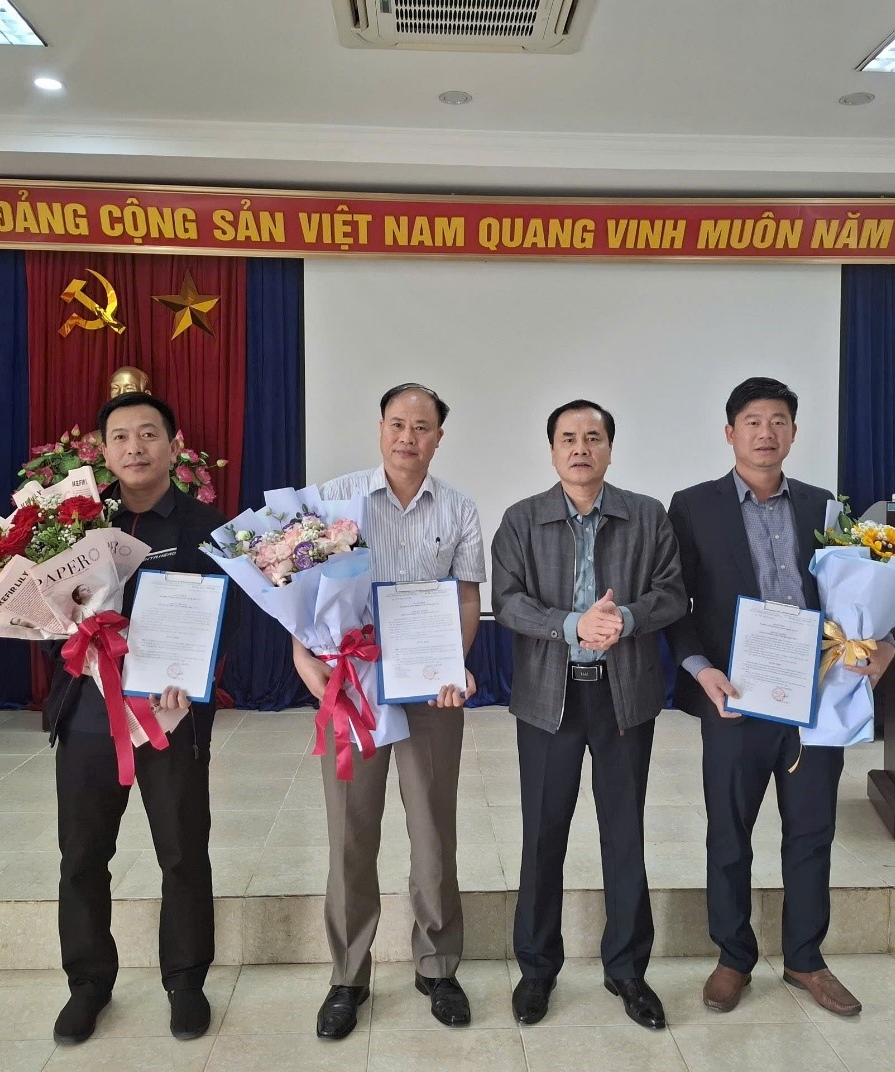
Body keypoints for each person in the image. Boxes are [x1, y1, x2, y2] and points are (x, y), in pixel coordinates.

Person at [667, 377, 895, 1018]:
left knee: (812, 830)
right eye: (752, 421)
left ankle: (805, 959)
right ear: (730, 432)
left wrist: (881, 644)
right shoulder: (693, 506)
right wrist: (701, 670)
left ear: (794, 432)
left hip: (816, 696)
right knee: (729, 833)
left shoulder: (824, 507)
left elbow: (859, 594)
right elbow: (674, 603)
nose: (765, 433)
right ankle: (732, 957)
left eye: (778, 421)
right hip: (735, 697)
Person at [292, 382, 486, 1040]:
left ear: (438, 438)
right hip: (350, 685)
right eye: (397, 424)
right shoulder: (334, 500)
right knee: (351, 831)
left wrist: (451, 665)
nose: (408, 436)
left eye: (422, 427)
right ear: (380, 428)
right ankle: (348, 974)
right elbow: (299, 591)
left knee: (433, 830)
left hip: (429, 691)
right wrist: (301, 654)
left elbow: (466, 598)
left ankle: (437, 966)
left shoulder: (459, 508)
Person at [43, 391, 235, 1046]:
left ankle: (186, 981)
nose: (135, 447)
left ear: (173, 447)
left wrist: (193, 677)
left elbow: (226, 619)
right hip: (89, 715)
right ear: (103, 452)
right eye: (121, 437)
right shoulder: (76, 528)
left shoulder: (207, 528)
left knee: (182, 852)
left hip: (169, 718)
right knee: (82, 855)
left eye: (148, 434)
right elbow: (47, 619)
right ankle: (88, 985)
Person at [491, 399, 687, 1030]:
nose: (581, 448)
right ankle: (536, 969)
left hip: (623, 695)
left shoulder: (646, 515)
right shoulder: (522, 520)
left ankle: (627, 970)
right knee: (542, 834)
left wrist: (624, 617)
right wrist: (572, 623)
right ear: (552, 450)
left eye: (593, 437)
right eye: (568, 438)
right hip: (548, 698)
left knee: (624, 832)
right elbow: (508, 602)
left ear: (610, 448)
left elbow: (672, 594)